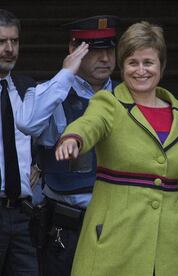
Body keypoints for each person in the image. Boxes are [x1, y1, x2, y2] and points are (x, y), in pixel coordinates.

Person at [54, 21, 178, 276]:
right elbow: (90, 123)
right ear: (122, 67)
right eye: (133, 62)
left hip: (172, 251)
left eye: (148, 62)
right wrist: (73, 138)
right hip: (115, 245)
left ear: (162, 67)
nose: (140, 70)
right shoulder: (109, 103)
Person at [15, 15, 119, 276]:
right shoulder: (53, 92)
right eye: (94, 50)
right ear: (73, 50)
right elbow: (27, 123)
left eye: (109, 49)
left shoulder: (126, 95)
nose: (105, 58)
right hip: (66, 226)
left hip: (117, 222)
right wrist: (65, 74)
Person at [0, 9, 39, 276]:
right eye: (1, 42)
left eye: (14, 41)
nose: (9, 49)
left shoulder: (27, 87)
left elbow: (46, 137)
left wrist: (41, 164)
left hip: (23, 215)